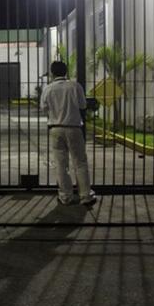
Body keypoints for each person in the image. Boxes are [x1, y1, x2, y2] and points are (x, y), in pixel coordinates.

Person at [40, 61, 96, 206]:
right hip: (73, 127)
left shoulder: (48, 89)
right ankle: (85, 196)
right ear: (66, 72)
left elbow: (44, 108)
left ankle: (65, 196)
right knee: (80, 162)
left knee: (60, 164)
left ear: (52, 73)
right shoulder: (75, 86)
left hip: (55, 128)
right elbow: (83, 105)